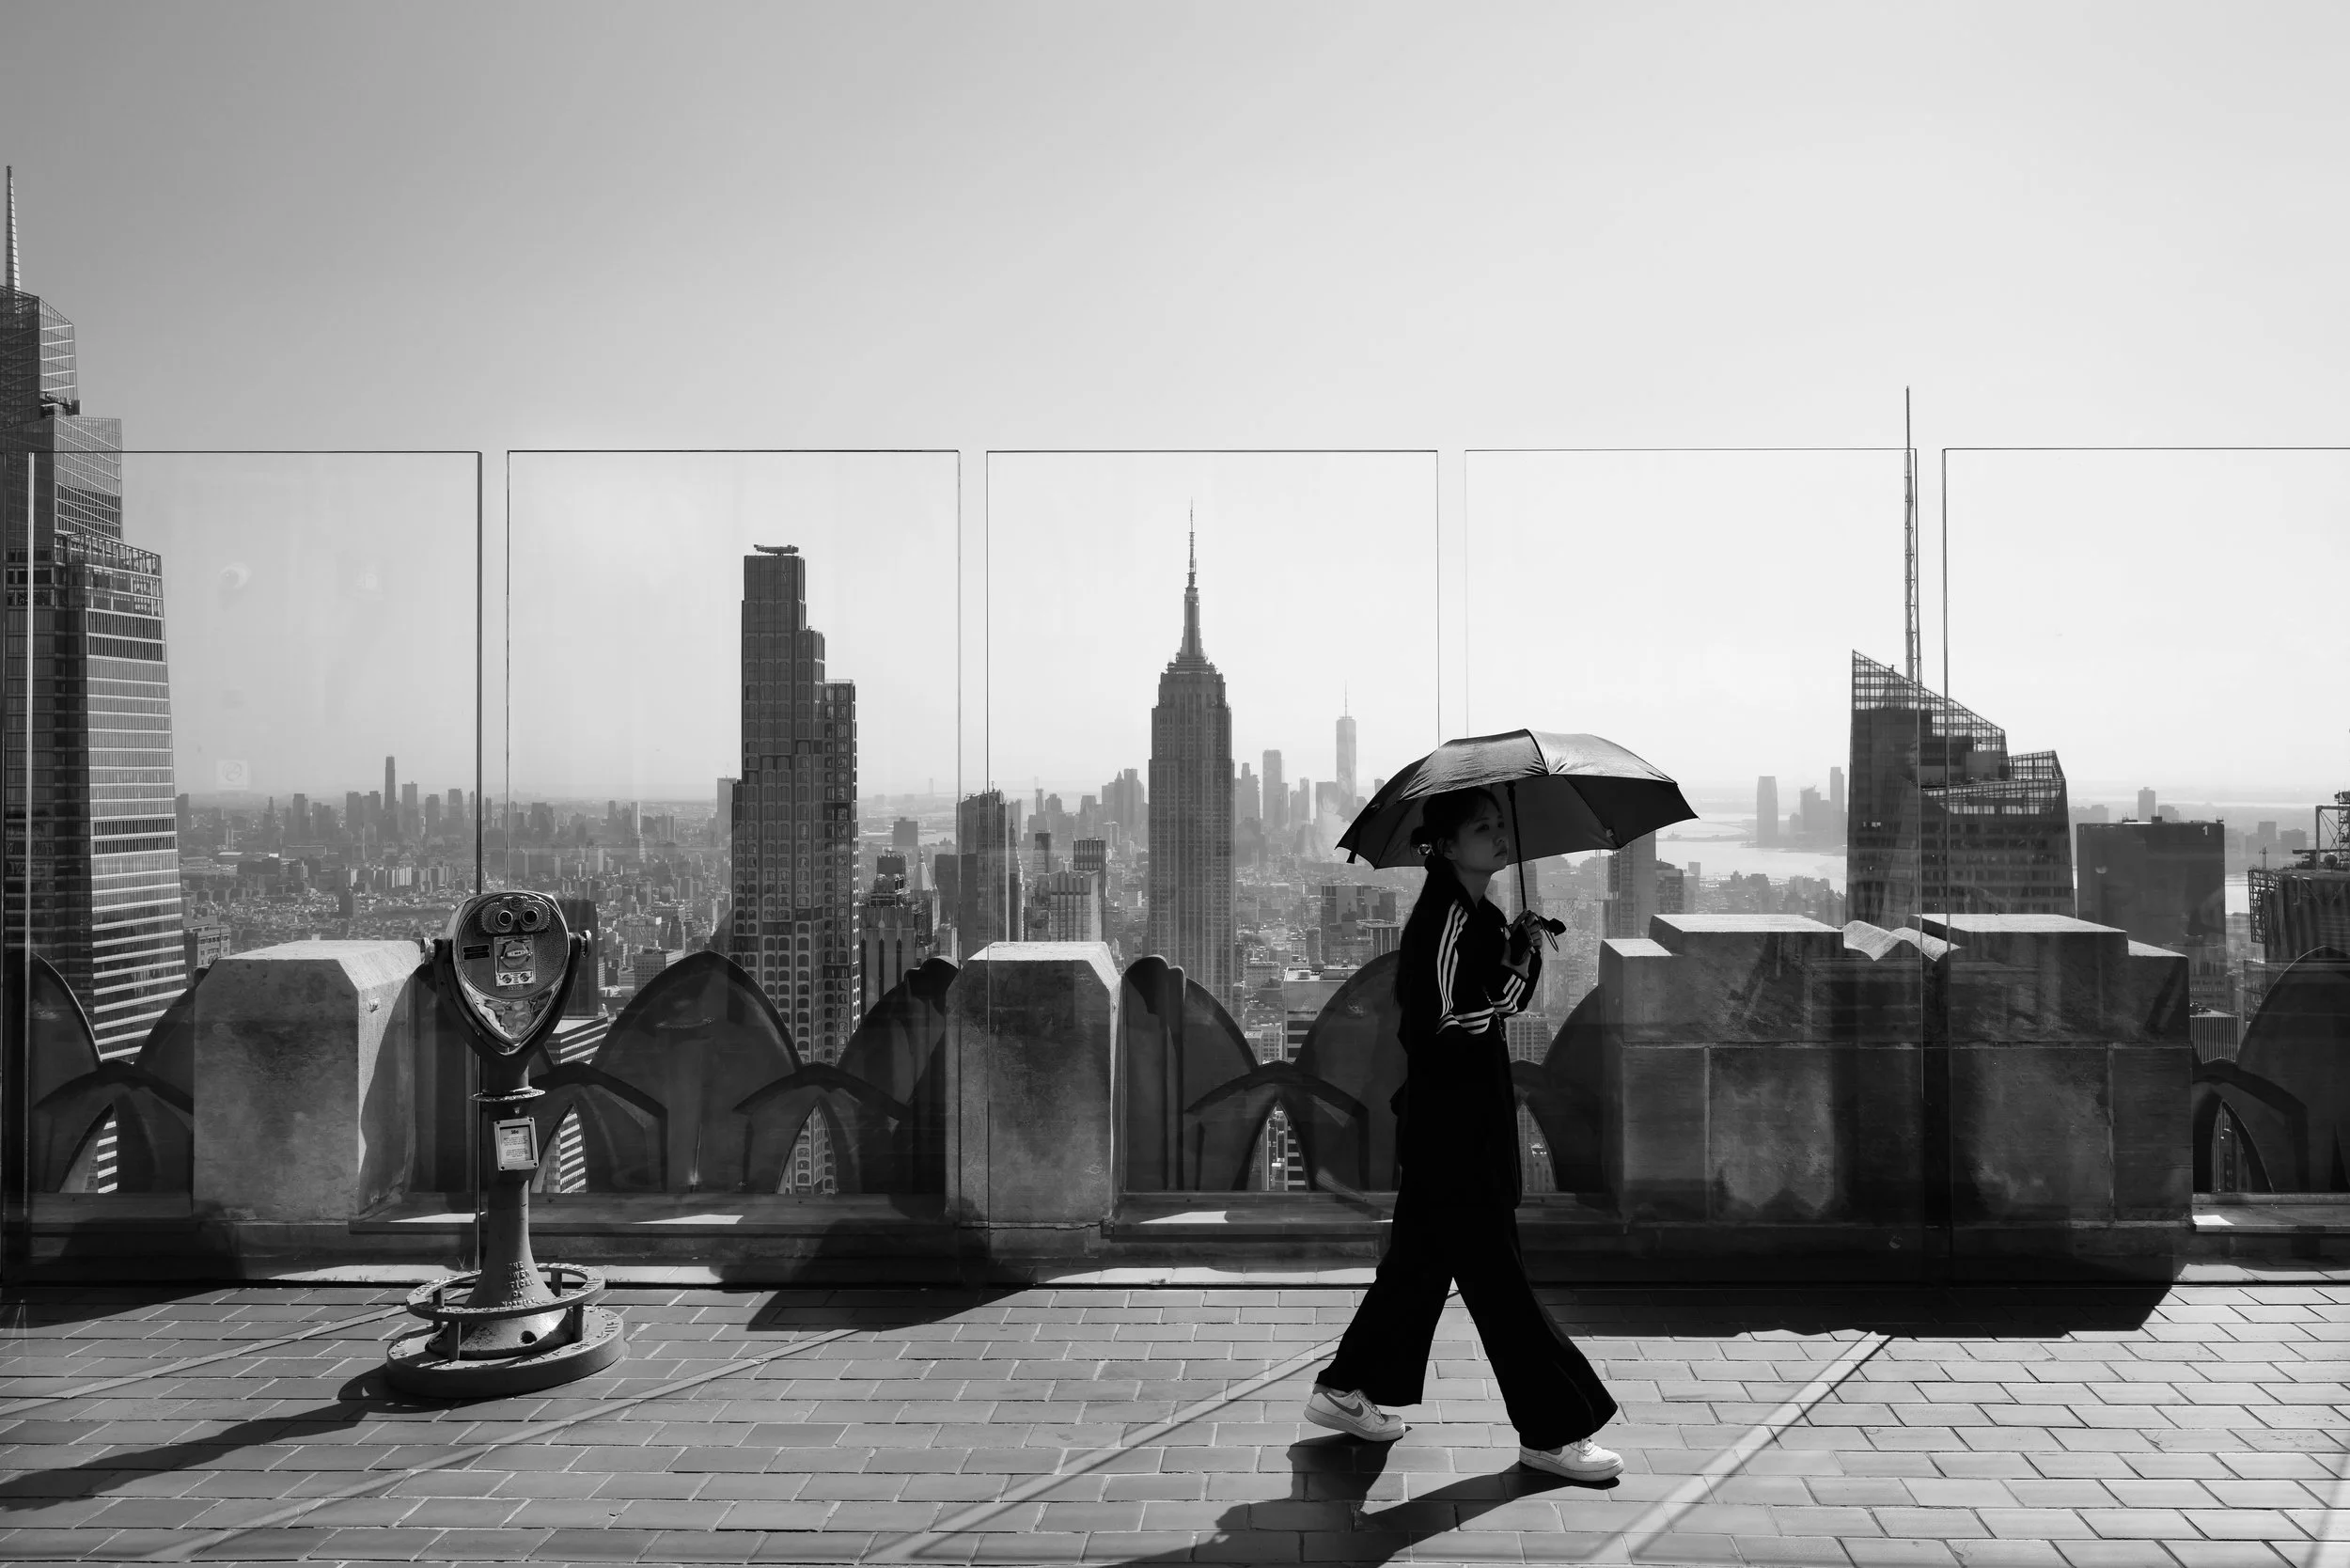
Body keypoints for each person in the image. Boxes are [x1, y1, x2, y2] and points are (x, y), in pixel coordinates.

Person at [1303, 785, 1623, 1481]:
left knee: (1417, 1272)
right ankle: (1552, 1429)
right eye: (1482, 828)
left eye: (1497, 824)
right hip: (1456, 1132)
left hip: (1459, 1121)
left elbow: (1499, 1002)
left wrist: (1522, 944)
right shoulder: (1447, 918)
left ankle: (1343, 1389)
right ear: (1445, 846)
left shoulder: (1474, 913)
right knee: (1500, 1285)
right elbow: (1441, 1023)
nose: (1498, 836)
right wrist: (1515, 958)